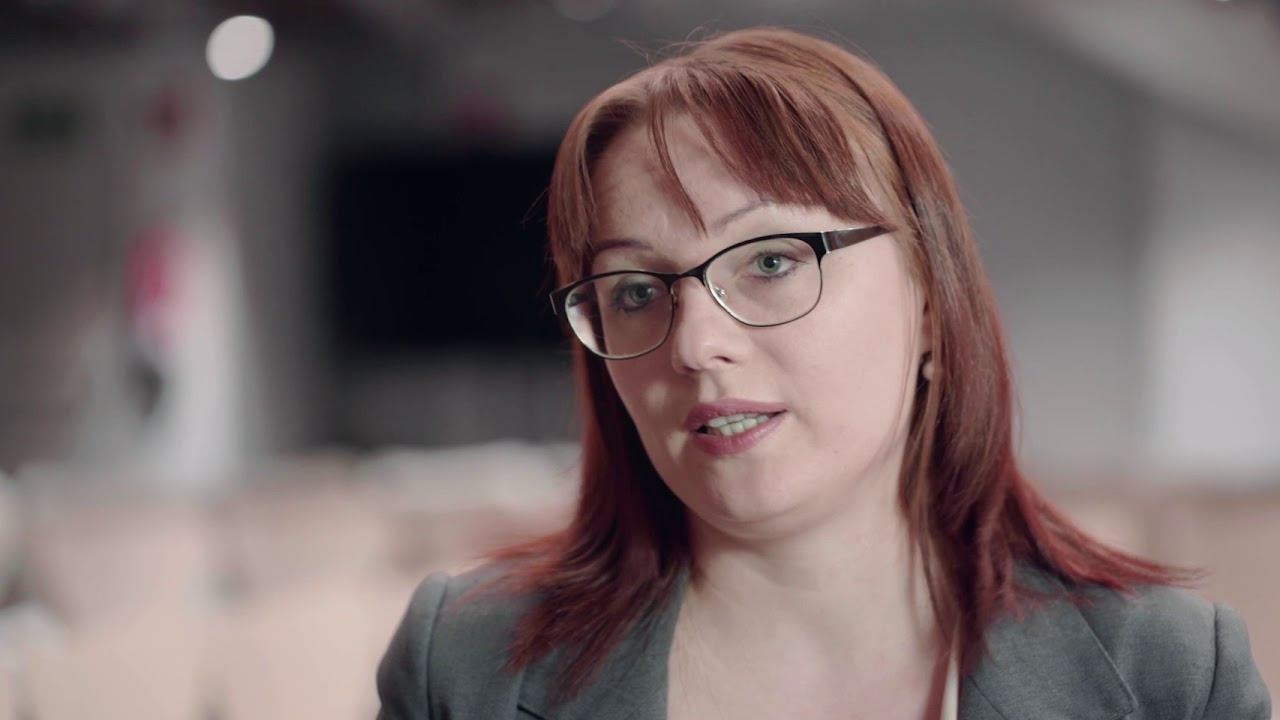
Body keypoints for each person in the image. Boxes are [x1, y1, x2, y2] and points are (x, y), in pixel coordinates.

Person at [376, 27, 1272, 719]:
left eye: (770, 261)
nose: (695, 345)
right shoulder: (465, 665)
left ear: (931, 300)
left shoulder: (1170, 671)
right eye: (638, 291)